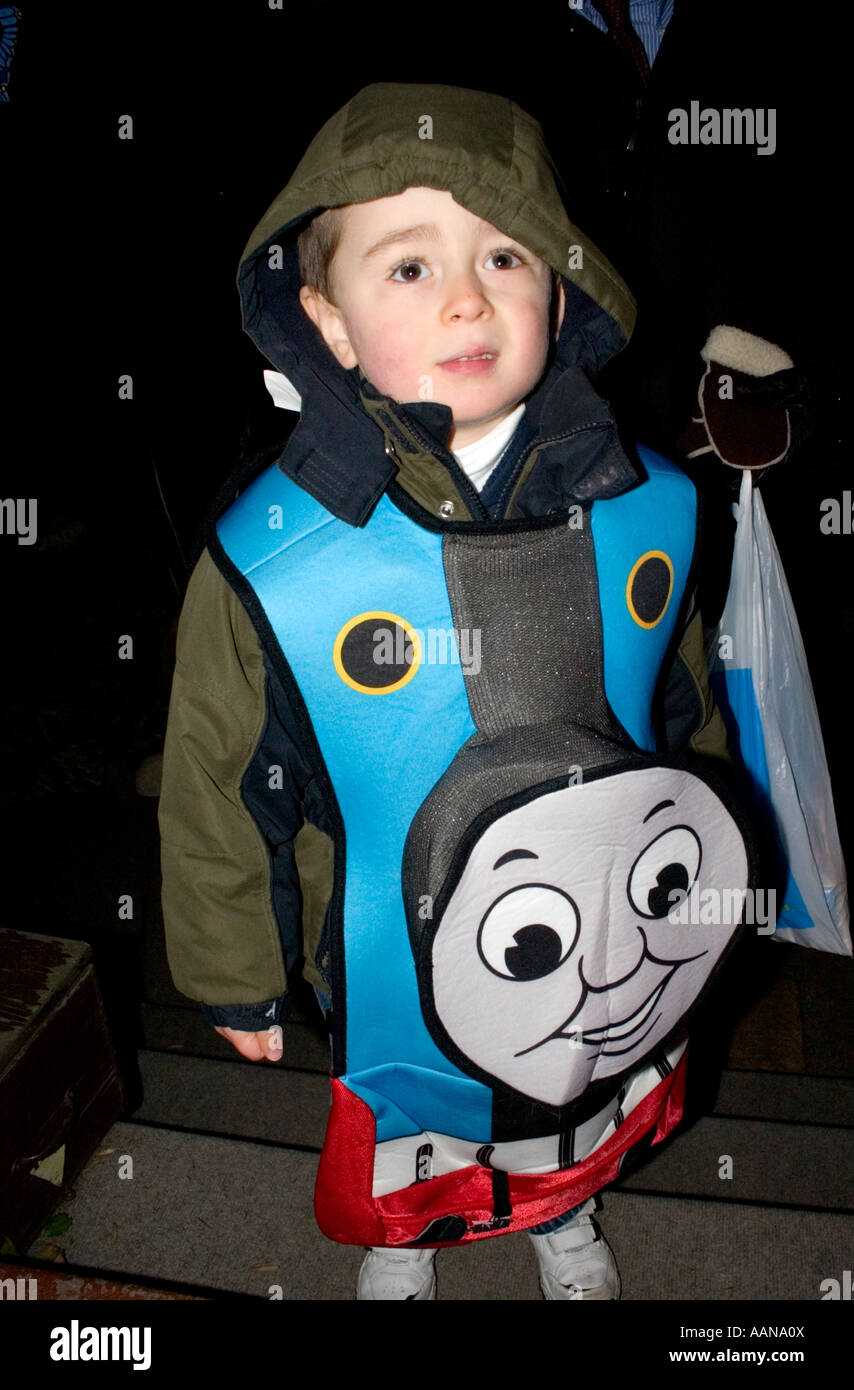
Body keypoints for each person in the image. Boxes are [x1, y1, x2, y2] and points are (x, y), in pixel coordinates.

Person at [158, 81, 754, 1301]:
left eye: (500, 255)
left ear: (560, 289)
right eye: (408, 267)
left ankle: (564, 1211)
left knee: (581, 1059)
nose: (468, 296)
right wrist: (235, 969)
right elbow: (219, 778)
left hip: (600, 895)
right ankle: (403, 1236)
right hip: (375, 924)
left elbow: (684, 705)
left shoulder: (641, 505)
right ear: (324, 320)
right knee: (415, 1086)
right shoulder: (275, 554)